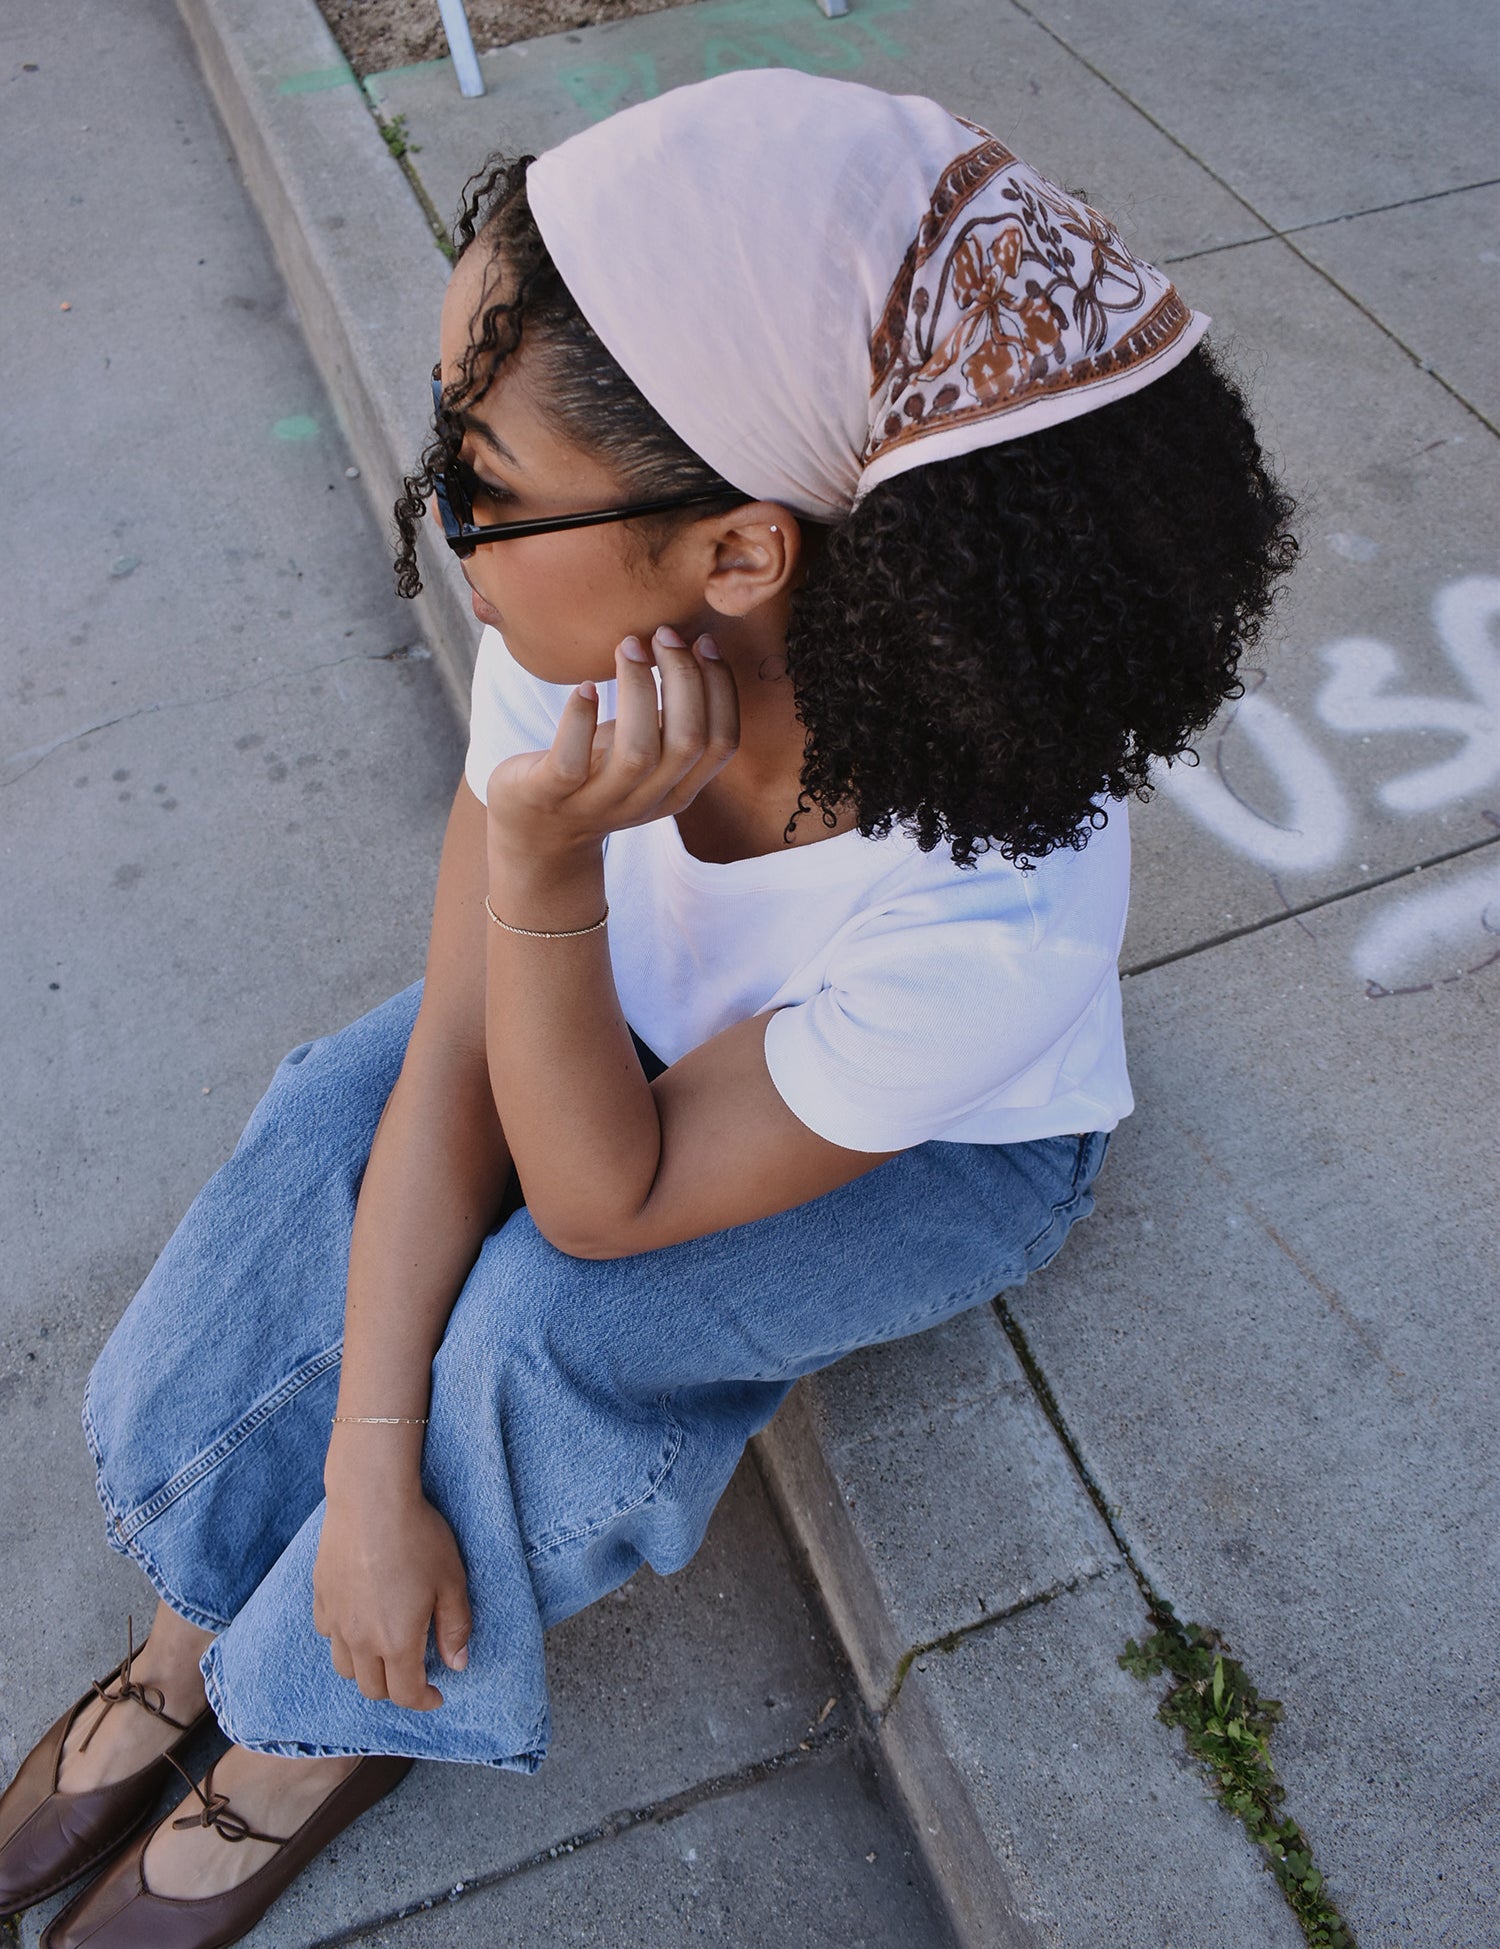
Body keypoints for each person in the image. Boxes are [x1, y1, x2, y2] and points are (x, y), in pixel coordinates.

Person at [0, 69, 1297, 1949]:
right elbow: (462, 1045)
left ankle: (314, 1721)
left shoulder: (990, 914)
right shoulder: (593, 627)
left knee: (545, 1326)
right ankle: (198, 1628)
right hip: (624, 1018)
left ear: (744, 549)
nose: (441, 511)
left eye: (482, 484)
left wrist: (544, 878)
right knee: (326, 1131)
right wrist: (363, 1464)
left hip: (945, 1151)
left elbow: (597, 1209)